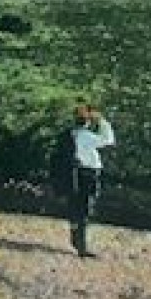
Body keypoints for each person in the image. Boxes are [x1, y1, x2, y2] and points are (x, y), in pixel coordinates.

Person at [63, 103, 115, 257]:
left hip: (77, 173)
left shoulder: (72, 134)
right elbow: (108, 140)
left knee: (77, 206)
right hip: (88, 173)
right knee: (85, 208)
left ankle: (77, 239)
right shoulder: (85, 136)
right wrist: (102, 121)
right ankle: (81, 245)